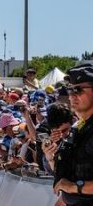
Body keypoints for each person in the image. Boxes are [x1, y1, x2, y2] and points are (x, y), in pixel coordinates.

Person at [51, 63, 93, 205]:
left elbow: (69, 184)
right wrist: (50, 156)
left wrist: (72, 187)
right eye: (70, 90)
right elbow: (72, 171)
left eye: (79, 90)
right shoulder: (77, 128)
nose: (72, 96)